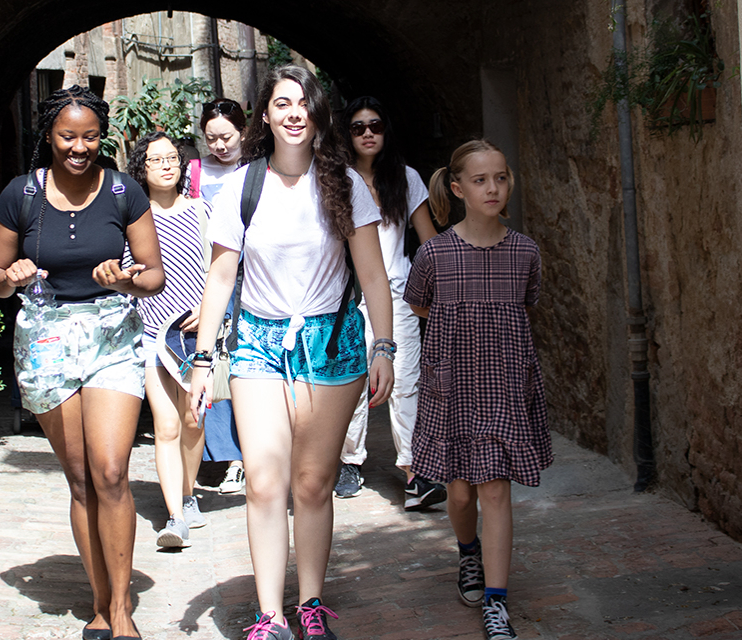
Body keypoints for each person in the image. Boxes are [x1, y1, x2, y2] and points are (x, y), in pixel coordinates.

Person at [188, 65, 395, 640]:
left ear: (318, 113)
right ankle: (268, 616)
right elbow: (221, 278)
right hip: (258, 341)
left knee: (311, 482)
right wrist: (204, 360)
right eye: (282, 103)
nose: (294, 112)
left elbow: (374, 277)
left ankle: (309, 603)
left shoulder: (345, 183)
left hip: (331, 341)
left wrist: (384, 346)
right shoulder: (242, 187)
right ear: (266, 114)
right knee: (263, 480)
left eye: (304, 102)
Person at [0, 85, 164, 640]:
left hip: (111, 333)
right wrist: (10, 276)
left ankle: (122, 611)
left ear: (101, 137)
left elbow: (154, 275)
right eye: (68, 136)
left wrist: (126, 277)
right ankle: (99, 600)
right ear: (49, 136)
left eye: (89, 136)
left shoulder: (122, 192)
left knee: (111, 471)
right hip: (46, 339)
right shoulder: (20, 194)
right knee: (82, 478)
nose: (79, 147)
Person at [403, 139, 552, 640]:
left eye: (501, 178)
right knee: (461, 493)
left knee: (494, 489)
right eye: (482, 180)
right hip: (453, 386)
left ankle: (497, 601)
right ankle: (469, 553)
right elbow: (420, 305)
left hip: (506, 386)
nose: (493, 188)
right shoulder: (435, 254)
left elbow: (525, 304)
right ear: (458, 187)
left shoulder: (526, 251)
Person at [334, 96, 447, 512]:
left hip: (397, 293)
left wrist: (455, 272)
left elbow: (428, 238)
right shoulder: (336, 180)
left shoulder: (406, 177)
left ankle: (417, 471)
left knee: (405, 381)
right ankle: (349, 460)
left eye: (375, 126)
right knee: (352, 381)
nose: (367, 133)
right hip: (346, 296)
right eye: (358, 127)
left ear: (386, 131)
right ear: (347, 134)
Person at [126, 131, 212, 548]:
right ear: (142, 169)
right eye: (156, 159)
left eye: (172, 158)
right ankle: (175, 517)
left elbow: (223, 266)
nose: (166, 165)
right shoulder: (133, 219)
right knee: (166, 424)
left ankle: (189, 493)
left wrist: (213, 308)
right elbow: (127, 275)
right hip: (152, 336)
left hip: (197, 337)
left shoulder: (202, 211)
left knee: (194, 421)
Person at [190, 98, 248, 494]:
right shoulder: (193, 172)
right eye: (211, 139)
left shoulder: (260, 169)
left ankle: (248, 454)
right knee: (212, 360)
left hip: (254, 276)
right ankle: (222, 453)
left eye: (226, 137)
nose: (220, 146)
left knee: (247, 360)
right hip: (211, 275)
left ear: (242, 132)